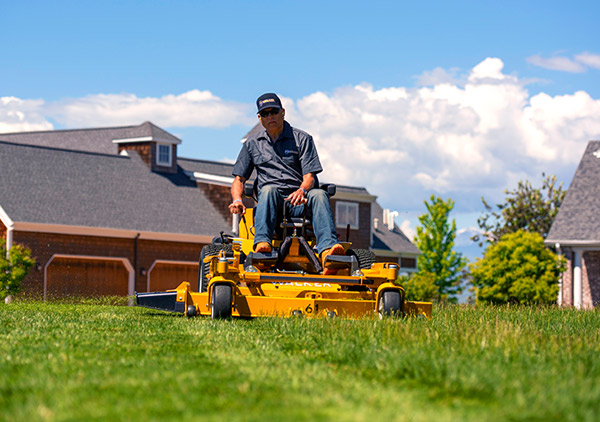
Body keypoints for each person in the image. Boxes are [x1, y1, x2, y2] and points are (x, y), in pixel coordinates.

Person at [229, 93, 344, 273]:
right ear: (260, 118)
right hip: (271, 204)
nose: (270, 117)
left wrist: (301, 191)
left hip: (300, 203)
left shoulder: (302, 139)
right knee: (268, 190)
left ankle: (328, 252)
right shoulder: (252, 144)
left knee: (320, 193)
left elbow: (310, 177)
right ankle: (262, 245)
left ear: (283, 112)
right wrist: (237, 199)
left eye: (273, 111)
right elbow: (239, 179)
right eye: (265, 114)